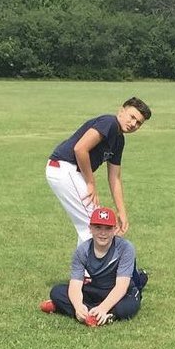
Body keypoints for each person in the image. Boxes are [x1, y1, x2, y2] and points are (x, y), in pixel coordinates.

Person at [46, 97, 151, 244]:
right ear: (121, 111)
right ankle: (91, 267)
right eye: (132, 117)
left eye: (139, 122)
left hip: (68, 171)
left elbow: (115, 177)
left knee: (93, 223)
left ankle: (84, 267)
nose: (133, 123)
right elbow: (80, 148)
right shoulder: (110, 123)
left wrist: (122, 212)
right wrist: (90, 182)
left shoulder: (119, 140)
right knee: (98, 224)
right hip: (64, 167)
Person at [40, 207, 145, 326]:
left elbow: (122, 286)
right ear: (90, 229)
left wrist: (103, 308)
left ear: (115, 230)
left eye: (108, 228)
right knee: (57, 291)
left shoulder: (125, 248)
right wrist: (78, 306)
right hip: (96, 289)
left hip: (120, 291)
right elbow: (75, 284)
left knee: (129, 305)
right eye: (98, 227)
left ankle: (98, 314)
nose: (103, 233)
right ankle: (91, 315)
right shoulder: (82, 251)